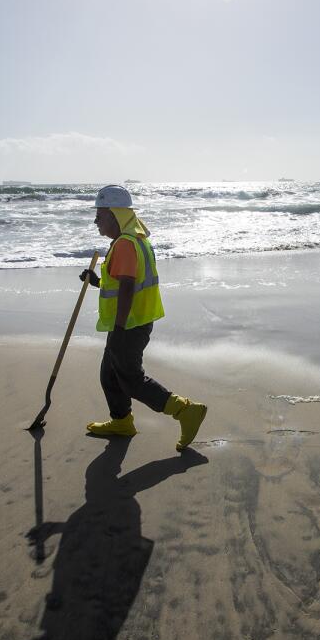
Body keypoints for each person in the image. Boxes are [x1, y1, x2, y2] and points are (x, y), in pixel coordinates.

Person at [78, 185, 208, 451]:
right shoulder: (133, 239)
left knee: (131, 379)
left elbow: (126, 288)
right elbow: (122, 283)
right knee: (109, 375)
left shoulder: (125, 244)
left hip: (128, 324)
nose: (95, 221)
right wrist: (97, 282)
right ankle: (122, 421)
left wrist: (119, 328)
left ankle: (185, 411)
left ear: (115, 215)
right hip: (132, 321)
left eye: (100, 215)